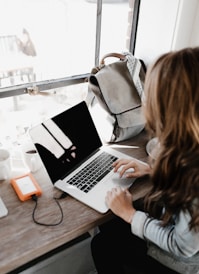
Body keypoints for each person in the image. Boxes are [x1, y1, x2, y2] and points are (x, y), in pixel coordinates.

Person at [91, 47, 199, 274]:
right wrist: (153, 170)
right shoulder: (189, 151)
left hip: (182, 265)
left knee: (102, 244)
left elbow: (182, 247)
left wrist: (130, 214)